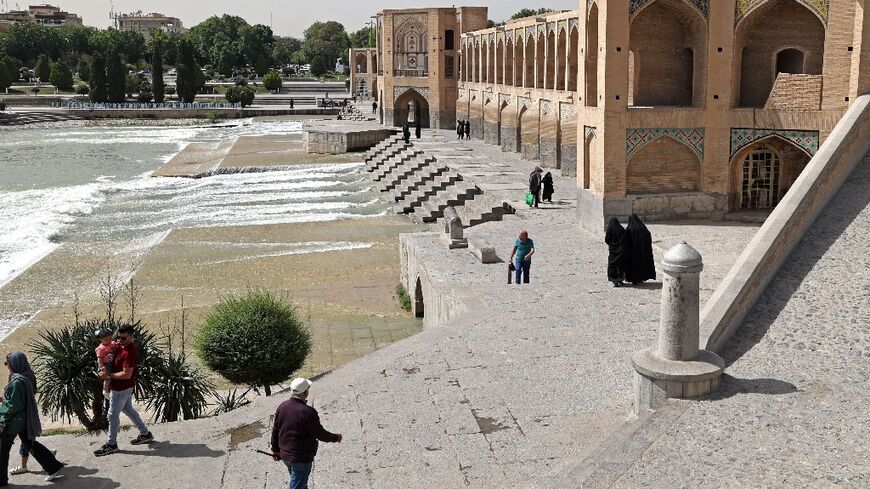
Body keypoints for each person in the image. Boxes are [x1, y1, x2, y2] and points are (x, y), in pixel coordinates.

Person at [0, 352, 65, 484]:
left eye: (9, 363)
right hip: (26, 417)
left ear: (15, 363)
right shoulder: (28, 375)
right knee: (30, 443)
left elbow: (13, 405)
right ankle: (53, 466)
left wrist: (2, 411)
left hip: (14, 421)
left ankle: (1, 480)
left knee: (2, 449)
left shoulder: (17, 382)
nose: (8, 366)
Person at [93, 324, 154, 457]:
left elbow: (127, 374)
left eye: (123, 338)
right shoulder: (119, 345)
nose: (120, 340)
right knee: (128, 410)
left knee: (112, 415)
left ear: (131, 336)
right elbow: (105, 352)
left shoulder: (130, 352)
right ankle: (145, 434)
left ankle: (111, 444)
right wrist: (101, 367)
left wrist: (108, 376)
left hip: (121, 388)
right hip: (123, 387)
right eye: (118, 337)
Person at [271, 378, 342, 489]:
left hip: (285, 455)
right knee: (298, 485)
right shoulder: (308, 412)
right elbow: (320, 434)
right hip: (300, 458)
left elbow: (276, 430)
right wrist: (335, 437)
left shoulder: (282, 406)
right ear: (306, 392)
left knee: (300, 482)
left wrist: (275, 450)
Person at [622, 214, 656, 285]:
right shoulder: (643, 228)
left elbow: (625, 240)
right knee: (641, 265)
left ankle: (634, 279)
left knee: (633, 265)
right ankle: (640, 278)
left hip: (633, 252)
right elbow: (648, 236)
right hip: (642, 251)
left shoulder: (630, 228)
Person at [95, 328, 117, 399]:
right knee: (108, 378)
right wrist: (102, 367)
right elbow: (99, 358)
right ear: (100, 339)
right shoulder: (101, 348)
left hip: (113, 362)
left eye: (110, 338)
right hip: (107, 364)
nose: (108, 341)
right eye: (106, 340)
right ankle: (105, 390)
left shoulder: (112, 343)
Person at [605, 217, 627, 287]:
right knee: (621, 265)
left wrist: (611, 245)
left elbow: (607, 240)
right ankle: (621, 279)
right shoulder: (621, 229)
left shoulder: (610, 230)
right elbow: (625, 238)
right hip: (621, 251)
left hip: (612, 251)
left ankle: (615, 281)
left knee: (613, 265)